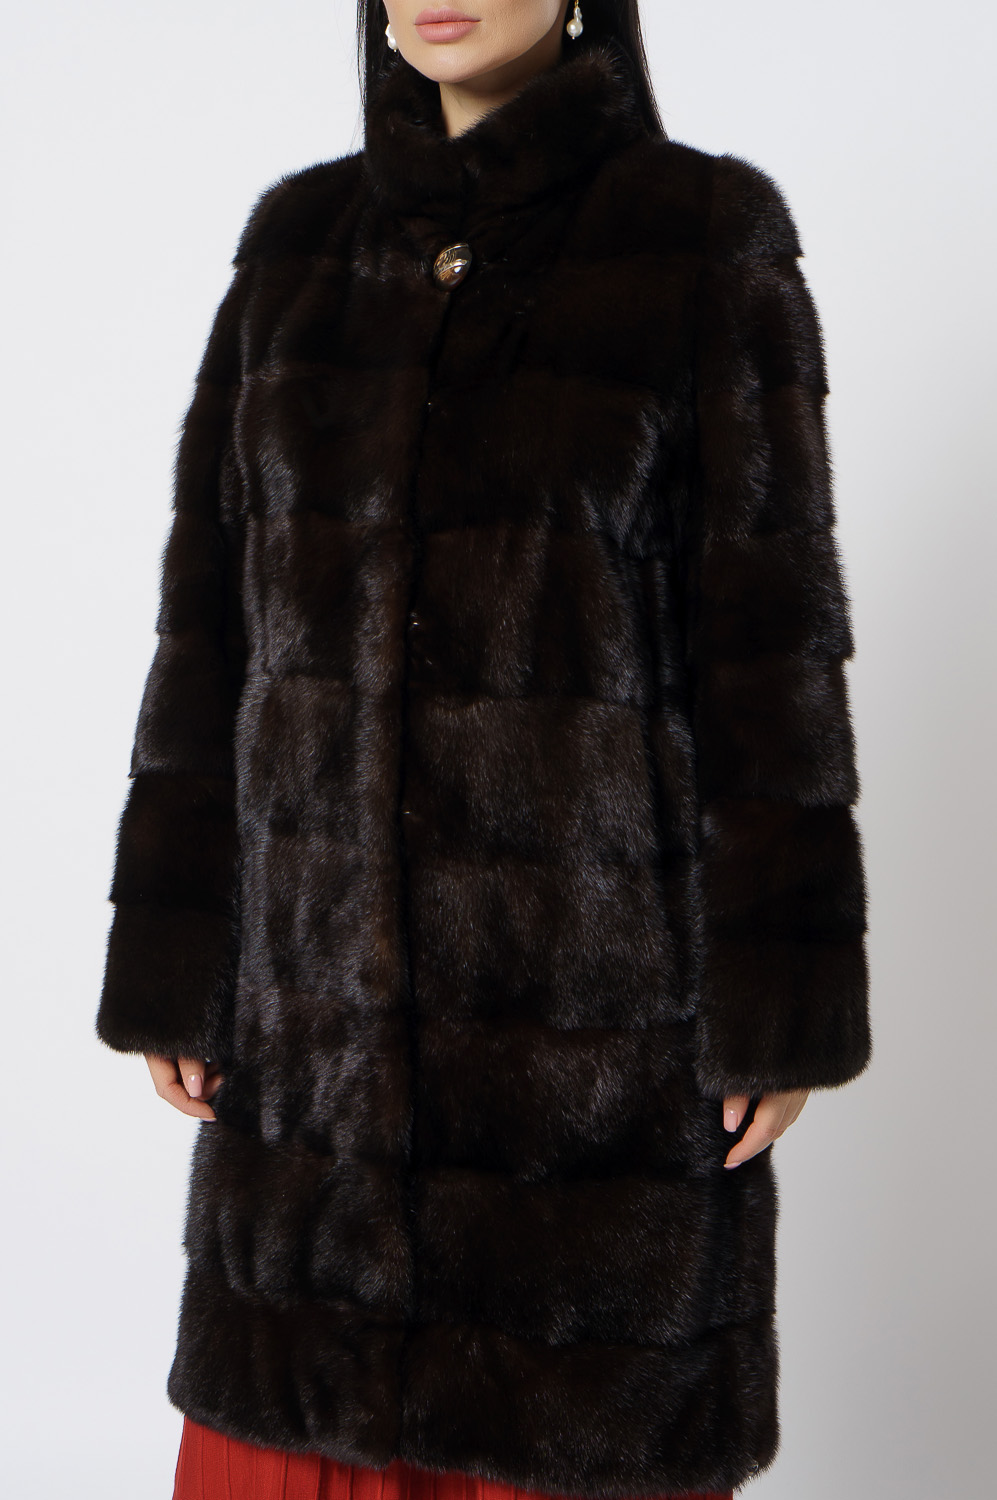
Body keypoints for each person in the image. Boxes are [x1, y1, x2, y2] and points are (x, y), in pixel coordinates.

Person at [95, 2, 873, 1498]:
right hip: (312, 1061)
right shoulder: (296, 249)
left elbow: (769, 648)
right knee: (292, 1433)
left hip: (590, 1047)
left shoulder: (704, 238)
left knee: (566, 1436)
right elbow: (209, 633)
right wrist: (174, 957)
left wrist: (779, 1000)